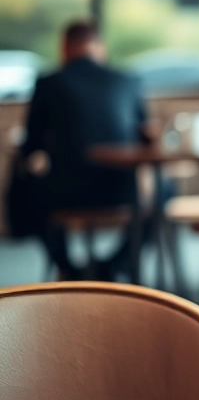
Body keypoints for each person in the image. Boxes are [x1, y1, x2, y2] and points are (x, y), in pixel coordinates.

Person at [20, 20, 149, 280]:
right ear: (99, 48)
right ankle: (116, 265)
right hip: (124, 191)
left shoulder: (48, 84)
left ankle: (67, 267)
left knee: (24, 186)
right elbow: (145, 138)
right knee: (163, 190)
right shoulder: (128, 81)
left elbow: (31, 146)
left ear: (64, 48)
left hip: (65, 193)